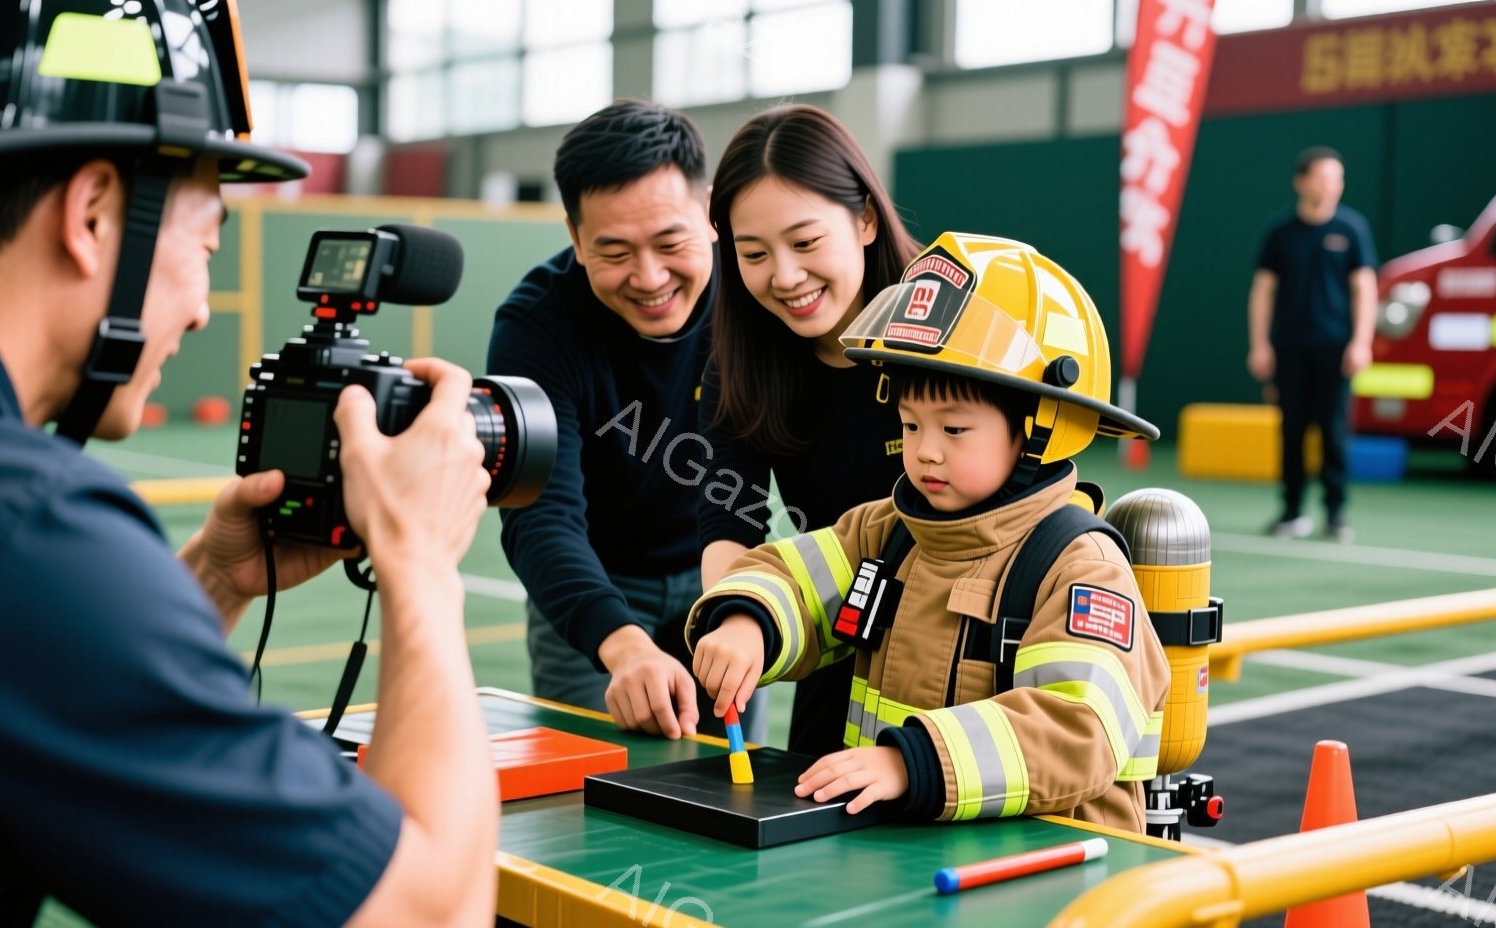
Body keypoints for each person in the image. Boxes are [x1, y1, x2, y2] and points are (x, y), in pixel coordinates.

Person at [0, 2, 496, 925]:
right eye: (206, 244)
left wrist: (209, 582)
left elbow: (11, 672)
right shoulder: (15, 528)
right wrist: (416, 559)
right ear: (93, 213)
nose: (205, 309)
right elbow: (427, 913)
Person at [687, 233, 1171, 832]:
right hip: (917, 855)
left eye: (956, 429)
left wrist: (910, 763)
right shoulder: (886, 531)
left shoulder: (1080, 567)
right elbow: (794, 578)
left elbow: (1075, 728)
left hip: (1051, 874)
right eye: (911, 424)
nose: (925, 452)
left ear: (1042, 426)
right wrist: (747, 622)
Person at [486, 99, 765, 741]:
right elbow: (539, 513)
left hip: (724, 576)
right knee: (589, 788)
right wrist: (620, 643)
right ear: (576, 237)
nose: (649, 277)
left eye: (671, 243)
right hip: (596, 582)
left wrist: (744, 603)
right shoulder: (537, 327)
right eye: (613, 251)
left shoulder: (756, 296)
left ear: (712, 214)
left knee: (738, 781)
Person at [700, 104, 919, 757]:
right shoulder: (740, 366)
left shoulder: (948, 333)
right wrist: (736, 615)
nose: (785, 276)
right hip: (837, 649)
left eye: (805, 242)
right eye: (754, 253)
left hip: (965, 662)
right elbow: (726, 522)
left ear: (866, 219)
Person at [1247, 146, 1379, 543]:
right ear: (1301, 181)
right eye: (1322, 178)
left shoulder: (1352, 229)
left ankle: (1336, 514)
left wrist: (1361, 342)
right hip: (1290, 348)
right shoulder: (1279, 232)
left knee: (1334, 431)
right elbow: (1262, 291)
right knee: (1291, 431)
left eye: (1337, 179)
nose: (1330, 186)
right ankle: (1290, 512)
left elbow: (1365, 288)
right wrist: (1259, 344)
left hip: (1336, 351)